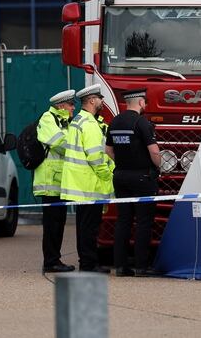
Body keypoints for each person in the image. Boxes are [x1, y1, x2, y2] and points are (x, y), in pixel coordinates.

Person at [105, 88, 162, 277]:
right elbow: (154, 151)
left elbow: (108, 150)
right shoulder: (142, 122)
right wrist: (158, 166)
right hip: (142, 177)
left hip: (120, 176)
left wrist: (123, 163)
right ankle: (141, 266)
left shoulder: (114, 121)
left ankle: (121, 266)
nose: (145, 105)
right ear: (140, 103)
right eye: (145, 102)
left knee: (123, 220)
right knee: (144, 222)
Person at [60, 84, 114, 273]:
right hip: (89, 185)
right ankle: (89, 265)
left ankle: (86, 262)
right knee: (90, 228)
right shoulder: (90, 124)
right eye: (100, 98)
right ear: (92, 100)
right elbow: (95, 157)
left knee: (83, 227)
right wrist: (108, 175)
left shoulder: (77, 121)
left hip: (79, 184)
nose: (102, 102)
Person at [35, 89, 77, 273]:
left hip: (60, 182)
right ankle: (51, 261)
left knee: (58, 223)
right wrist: (77, 146)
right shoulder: (47, 119)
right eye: (70, 104)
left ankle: (55, 259)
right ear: (61, 106)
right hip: (49, 182)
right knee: (52, 225)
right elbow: (59, 143)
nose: (73, 108)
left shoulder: (64, 122)